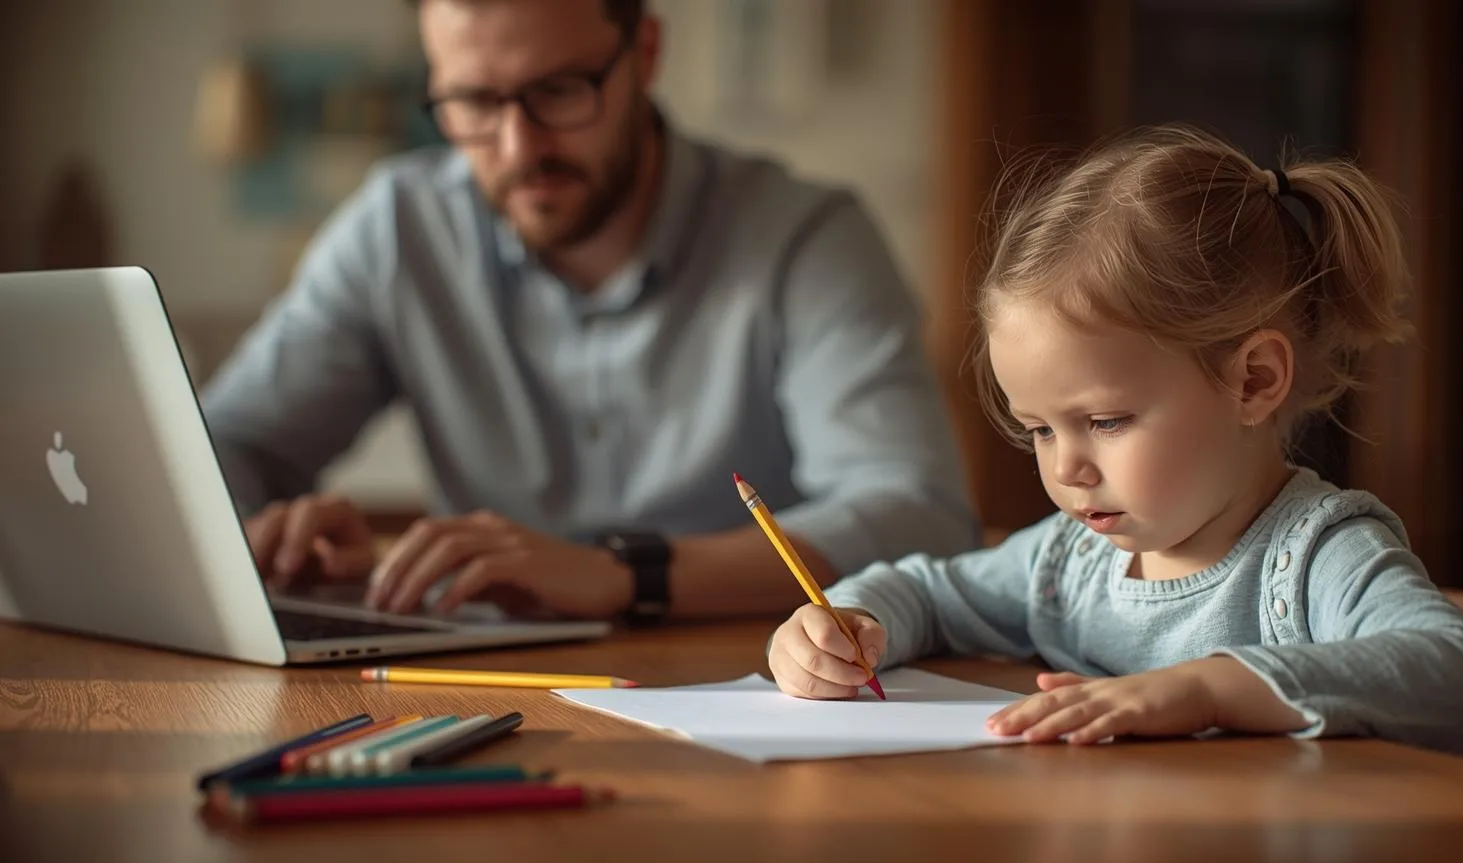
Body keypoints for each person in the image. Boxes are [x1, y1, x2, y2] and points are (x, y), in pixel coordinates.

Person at [199, 0, 978, 625]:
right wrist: (256, 538)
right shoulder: (397, 229)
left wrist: (618, 577)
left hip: (757, 689)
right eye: (473, 100)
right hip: (484, 687)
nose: (518, 146)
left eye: (558, 90)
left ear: (644, 54)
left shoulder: (805, 239)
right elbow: (220, 447)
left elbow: (920, 517)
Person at [766, 124, 1463, 755]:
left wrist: (1205, 688)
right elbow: (925, 592)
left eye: (1107, 422)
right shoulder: (1070, 562)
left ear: (1253, 382)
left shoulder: (1314, 557)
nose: (1067, 468)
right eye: (1039, 430)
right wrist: (843, 625)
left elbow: (1462, 673)